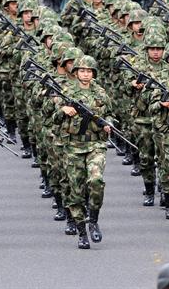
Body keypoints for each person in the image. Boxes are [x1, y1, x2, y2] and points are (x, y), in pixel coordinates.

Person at [56, 55, 115, 249]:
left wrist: (108, 124)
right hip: (72, 146)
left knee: (96, 180)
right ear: (76, 73)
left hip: (95, 144)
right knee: (76, 190)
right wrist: (63, 109)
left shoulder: (100, 92)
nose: (86, 74)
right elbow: (51, 114)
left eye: (89, 71)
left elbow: (110, 113)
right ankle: (81, 230)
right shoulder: (66, 91)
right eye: (82, 70)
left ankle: (94, 220)